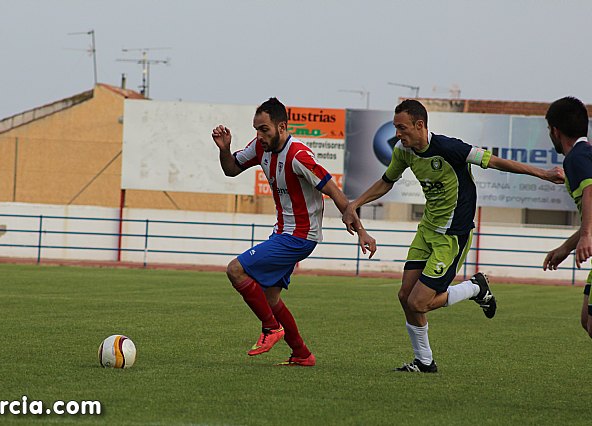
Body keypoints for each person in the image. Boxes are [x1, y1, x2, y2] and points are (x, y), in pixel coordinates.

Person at [343, 99, 564, 373]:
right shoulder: (403, 151)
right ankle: (424, 361)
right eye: (395, 128)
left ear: (420, 125)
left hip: (452, 236)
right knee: (405, 296)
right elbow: (387, 181)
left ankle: (475, 288)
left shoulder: (451, 148)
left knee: (418, 302)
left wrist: (543, 173)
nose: (397, 134)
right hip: (427, 231)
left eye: (402, 128)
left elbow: (495, 162)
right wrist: (355, 204)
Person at [212, 97, 376, 367]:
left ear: (282, 126)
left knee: (235, 270)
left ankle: (271, 329)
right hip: (283, 233)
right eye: (256, 129)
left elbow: (335, 192)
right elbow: (231, 170)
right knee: (270, 297)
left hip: (300, 237)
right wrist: (225, 149)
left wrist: (361, 231)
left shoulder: (299, 156)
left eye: (265, 129)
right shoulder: (259, 148)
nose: (260, 135)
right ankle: (302, 354)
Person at [543, 96, 592, 338]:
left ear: (555, 131)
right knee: (587, 320)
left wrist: (585, 237)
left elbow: (590, 190)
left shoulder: (576, 157)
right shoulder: (586, 153)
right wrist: (566, 247)